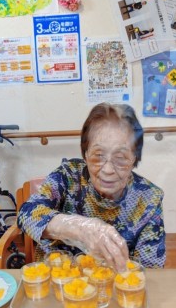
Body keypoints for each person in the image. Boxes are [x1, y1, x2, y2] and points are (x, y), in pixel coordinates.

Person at [17, 103, 165, 271]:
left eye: (120, 157)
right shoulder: (69, 175)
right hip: (57, 279)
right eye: (98, 155)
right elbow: (26, 213)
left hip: (113, 283)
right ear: (86, 154)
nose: (108, 170)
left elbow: (150, 270)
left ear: (134, 158)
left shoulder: (149, 198)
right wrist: (78, 227)